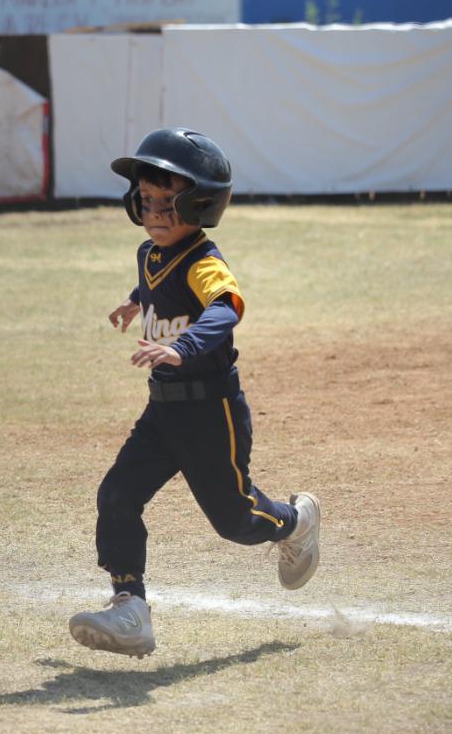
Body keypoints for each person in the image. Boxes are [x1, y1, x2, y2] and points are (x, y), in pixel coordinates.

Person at [68, 128, 319, 658]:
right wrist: (135, 302)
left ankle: (293, 522)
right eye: (146, 200)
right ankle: (129, 608)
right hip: (161, 412)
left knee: (235, 521)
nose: (155, 213)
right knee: (116, 496)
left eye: (168, 203)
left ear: (200, 205)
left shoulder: (205, 261)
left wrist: (183, 346)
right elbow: (156, 278)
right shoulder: (150, 251)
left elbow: (225, 308)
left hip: (211, 412)